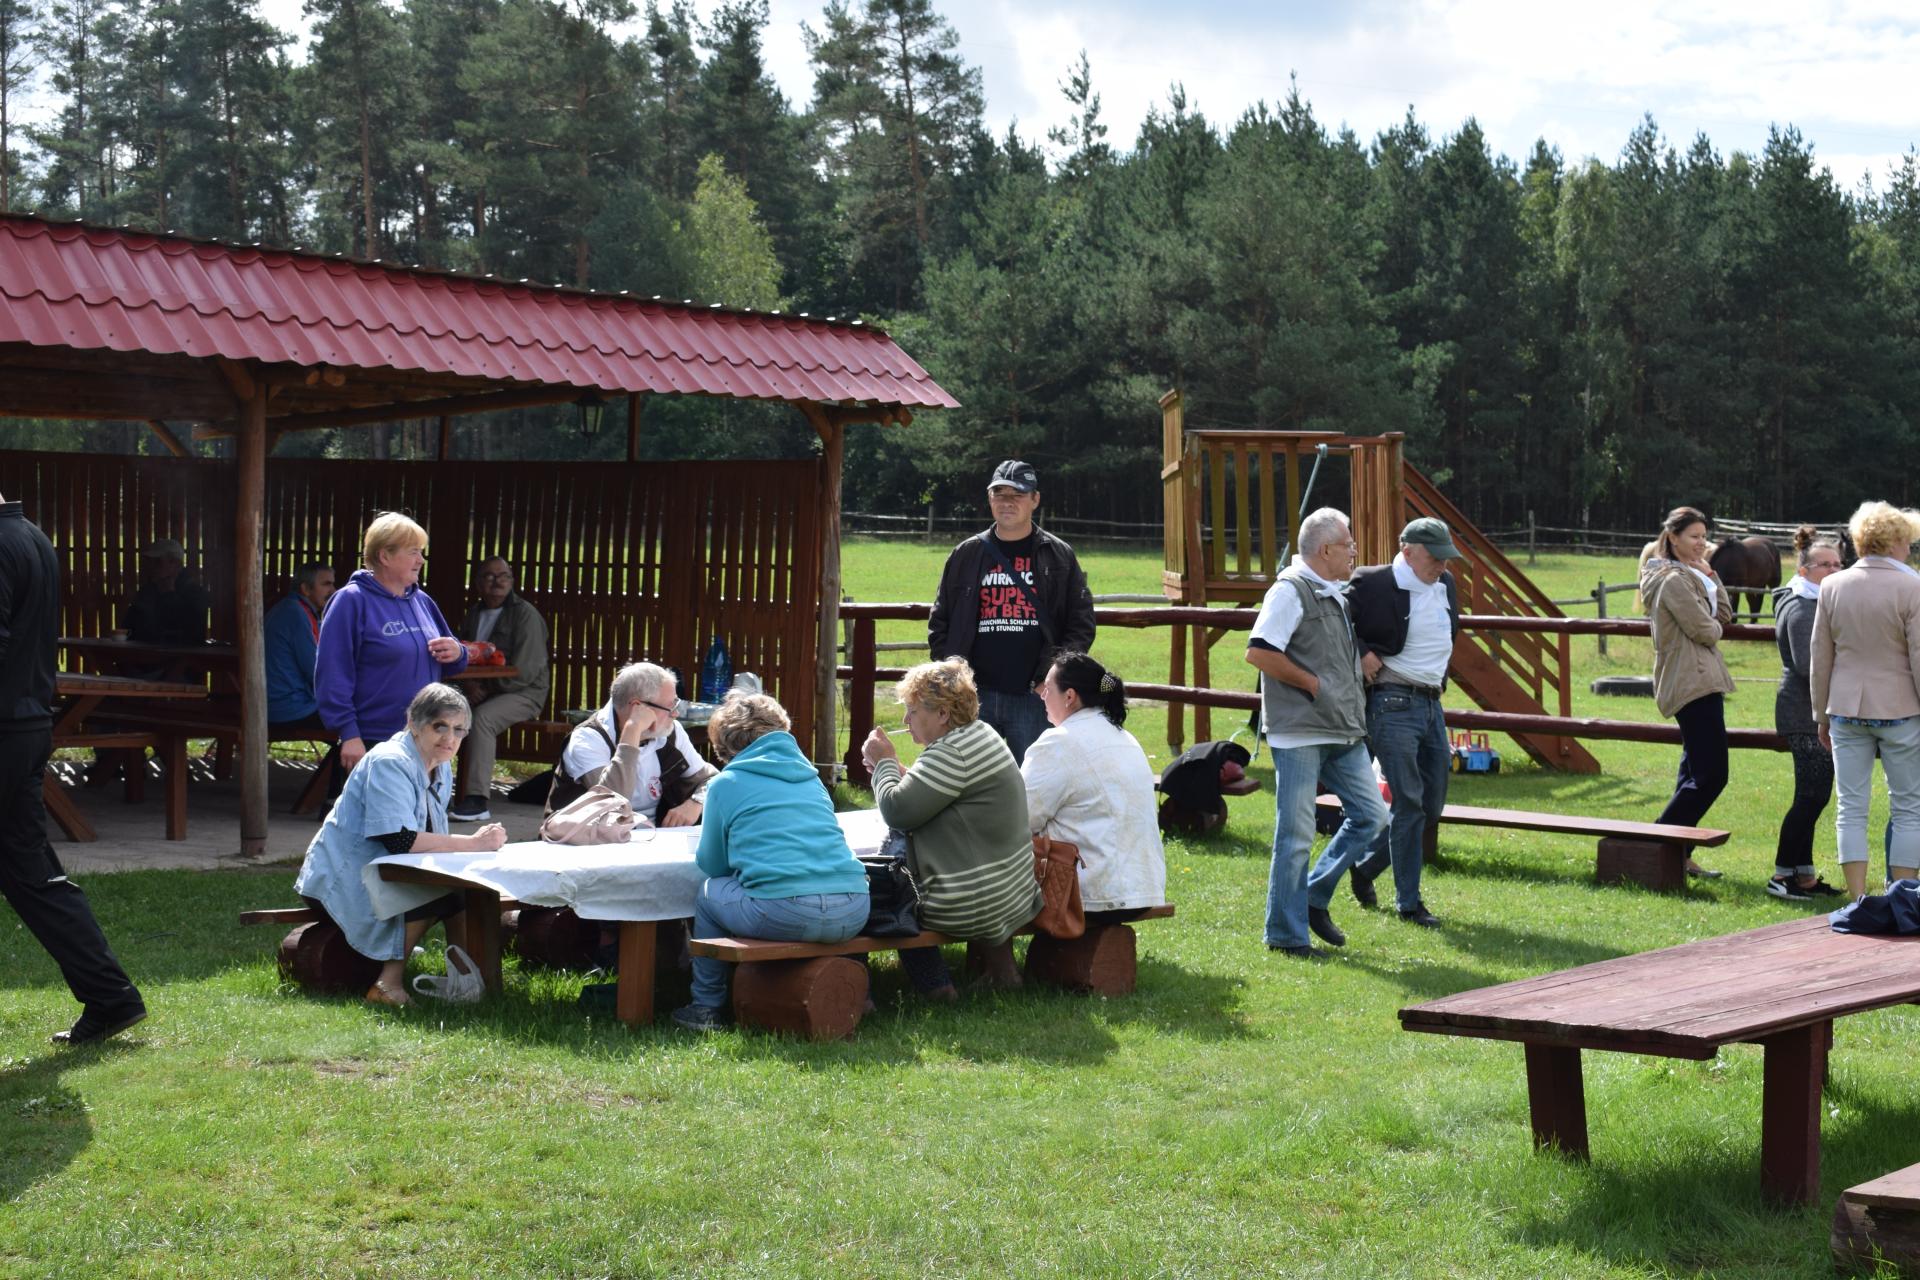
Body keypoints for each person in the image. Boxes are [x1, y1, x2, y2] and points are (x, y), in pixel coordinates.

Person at [0, 490, 149, 1044]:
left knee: (32, 874)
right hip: (28, 725)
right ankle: (111, 999)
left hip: (6, 728)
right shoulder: (30, 536)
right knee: (32, 876)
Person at [293, 683, 508, 1006]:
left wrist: (468, 848)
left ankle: (467, 983)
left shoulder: (440, 762)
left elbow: (427, 837)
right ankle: (387, 986)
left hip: (389, 871)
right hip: (342, 881)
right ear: (413, 723)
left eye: (459, 730)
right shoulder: (390, 761)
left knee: (469, 887)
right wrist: (473, 842)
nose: (450, 738)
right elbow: (399, 840)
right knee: (434, 891)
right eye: (440, 727)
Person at [672, 692, 870, 1032]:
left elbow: (713, 865)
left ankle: (706, 1005)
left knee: (709, 892)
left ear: (726, 745)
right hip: (853, 907)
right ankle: (861, 998)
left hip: (784, 910)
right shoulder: (811, 778)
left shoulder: (725, 784)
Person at [1245, 506, 1386, 958]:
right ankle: (1286, 935)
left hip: (1342, 730)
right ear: (1326, 549)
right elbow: (1260, 652)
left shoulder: (1334, 592)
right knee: (1296, 834)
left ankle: (1312, 896)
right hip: (1301, 732)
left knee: (1372, 815)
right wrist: (1313, 684)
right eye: (1349, 545)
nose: (1355, 553)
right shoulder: (1290, 592)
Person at [860, 657, 1041, 998]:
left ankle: (933, 985)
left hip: (972, 902)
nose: (905, 720)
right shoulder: (980, 733)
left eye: (912, 711)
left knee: (885, 890)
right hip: (1014, 891)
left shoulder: (950, 753)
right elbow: (937, 793)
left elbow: (897, 811)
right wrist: (900, 772)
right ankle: (1000, 974)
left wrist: (883, 764)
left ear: (942, 714)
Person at [928, 459, 1096, 765]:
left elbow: (1080, 623)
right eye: (999, 494)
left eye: (1017, 494)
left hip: (1035, 696)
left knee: (1033, 786)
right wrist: (951, 674)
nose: (1007, 502)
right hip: (973, 696)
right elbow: (940, 621)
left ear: (1035, 499)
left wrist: (1054, 677)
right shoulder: (966, 554)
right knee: (970, 782)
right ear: (989, 499)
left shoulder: (1058, 555)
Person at [1344, 518, 1462, 929]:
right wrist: (1360, 651)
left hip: (1431, 704)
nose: (1442, 566)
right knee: (1410, 801)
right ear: (1407, 550)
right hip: (1392, 702)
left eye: (1446, 557)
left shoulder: (1445, 585)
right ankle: (1409, 904)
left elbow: (1451, 633)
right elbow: (1333, 618)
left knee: (1431, 805)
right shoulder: (1373, 582)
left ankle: (1366, 867)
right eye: (1435, 557)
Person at [1810, 501, 1920, 899]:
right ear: (1893, 542)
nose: (1910, 549)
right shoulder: (1912, 586)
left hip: (1845, 711)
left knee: (1850, 807)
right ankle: (1904, 897)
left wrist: (1820, 715)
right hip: (1900, 709)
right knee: (1908, 807)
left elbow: (1820, 658)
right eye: (1907, 541)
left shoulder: (1833, 585)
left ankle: (1857, 898)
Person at [314, 512, 467, 776]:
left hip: (424, 740)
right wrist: (349, 733)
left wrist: (457, 652)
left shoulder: (423, 601)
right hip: (374, 740)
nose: (421, 560)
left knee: (422, 818)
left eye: (421, 552)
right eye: (413, 552)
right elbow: (332, 673)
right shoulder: (351, 601)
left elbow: (454, 662)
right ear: (385, 556)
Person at [1022, 651, 1167, 919]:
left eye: (1048, 688)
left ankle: (992, 958)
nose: (1041, 694)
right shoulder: (1126, 737)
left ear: (1070, 696)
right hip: (1144, 887)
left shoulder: (1059, 742)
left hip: (1092, 893)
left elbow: (1018, 818)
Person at [1639, 506, 1734, 878]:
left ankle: (1677, 854)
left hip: (1702, 678)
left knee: (1693, 772)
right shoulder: (1671, 580)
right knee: (1712, 775)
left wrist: (1710, 574)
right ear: (1673, 537)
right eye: (1694, 536)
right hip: (1690, 679)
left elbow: (1723, 615)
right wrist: (1713, 626)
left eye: (1704, 536)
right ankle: (1656, 842)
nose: (1701, 543)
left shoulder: (1694, 574)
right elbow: (1706, 630)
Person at [1768, 527, 1845, 901]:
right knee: (1811, 796)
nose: (1833, 570)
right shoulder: (1801, 605)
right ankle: (1781, 874)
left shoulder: (1818, 601)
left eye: (1838, 564)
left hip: (1812, 710)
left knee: (1816, 795)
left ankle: (1804, 874)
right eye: (1824, 565)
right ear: (1804, 570)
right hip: (1803, 712)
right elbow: (1806, 663)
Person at [552, 661, 714, 827]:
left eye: (676, 704)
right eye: (670, 706)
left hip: (654, 839)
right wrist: (633, 730)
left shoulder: (671, 732)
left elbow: (712, 780)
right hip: (591, 843)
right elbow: (612, 805)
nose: (676, 713)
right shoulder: (587, 738)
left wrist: (695, 803)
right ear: (638, 707)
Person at [449, 556, 550, 822]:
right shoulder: (474, 613)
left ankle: (476, 800)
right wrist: (468, 686)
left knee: (482, 718)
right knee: (440, 712)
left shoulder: (526, 615)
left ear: (512, 581)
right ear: (478, 582)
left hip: (524, 693)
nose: (497, 582)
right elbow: (464, 656)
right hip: (479, 691)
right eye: (489, 576)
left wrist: (487, 690)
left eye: (503, 576)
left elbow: (527, 670)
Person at [264, 561, 336, 730]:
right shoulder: (296, 614)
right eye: (326, 584)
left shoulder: (293, 608)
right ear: (306, 589)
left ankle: (338, 757)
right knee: (360, 718)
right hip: (289, 709)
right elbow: (315, 670)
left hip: (278, 705)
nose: (332, 591)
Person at [125, 537, 211, 645]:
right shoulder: (147, 591)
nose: (151, 567)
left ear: (175, 563)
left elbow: (191, 636)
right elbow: (127, 627)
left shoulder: (195, 594)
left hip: (181, 659)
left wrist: (169, 594)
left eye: (157, 562)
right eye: (150, 562)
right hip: (144, 656)